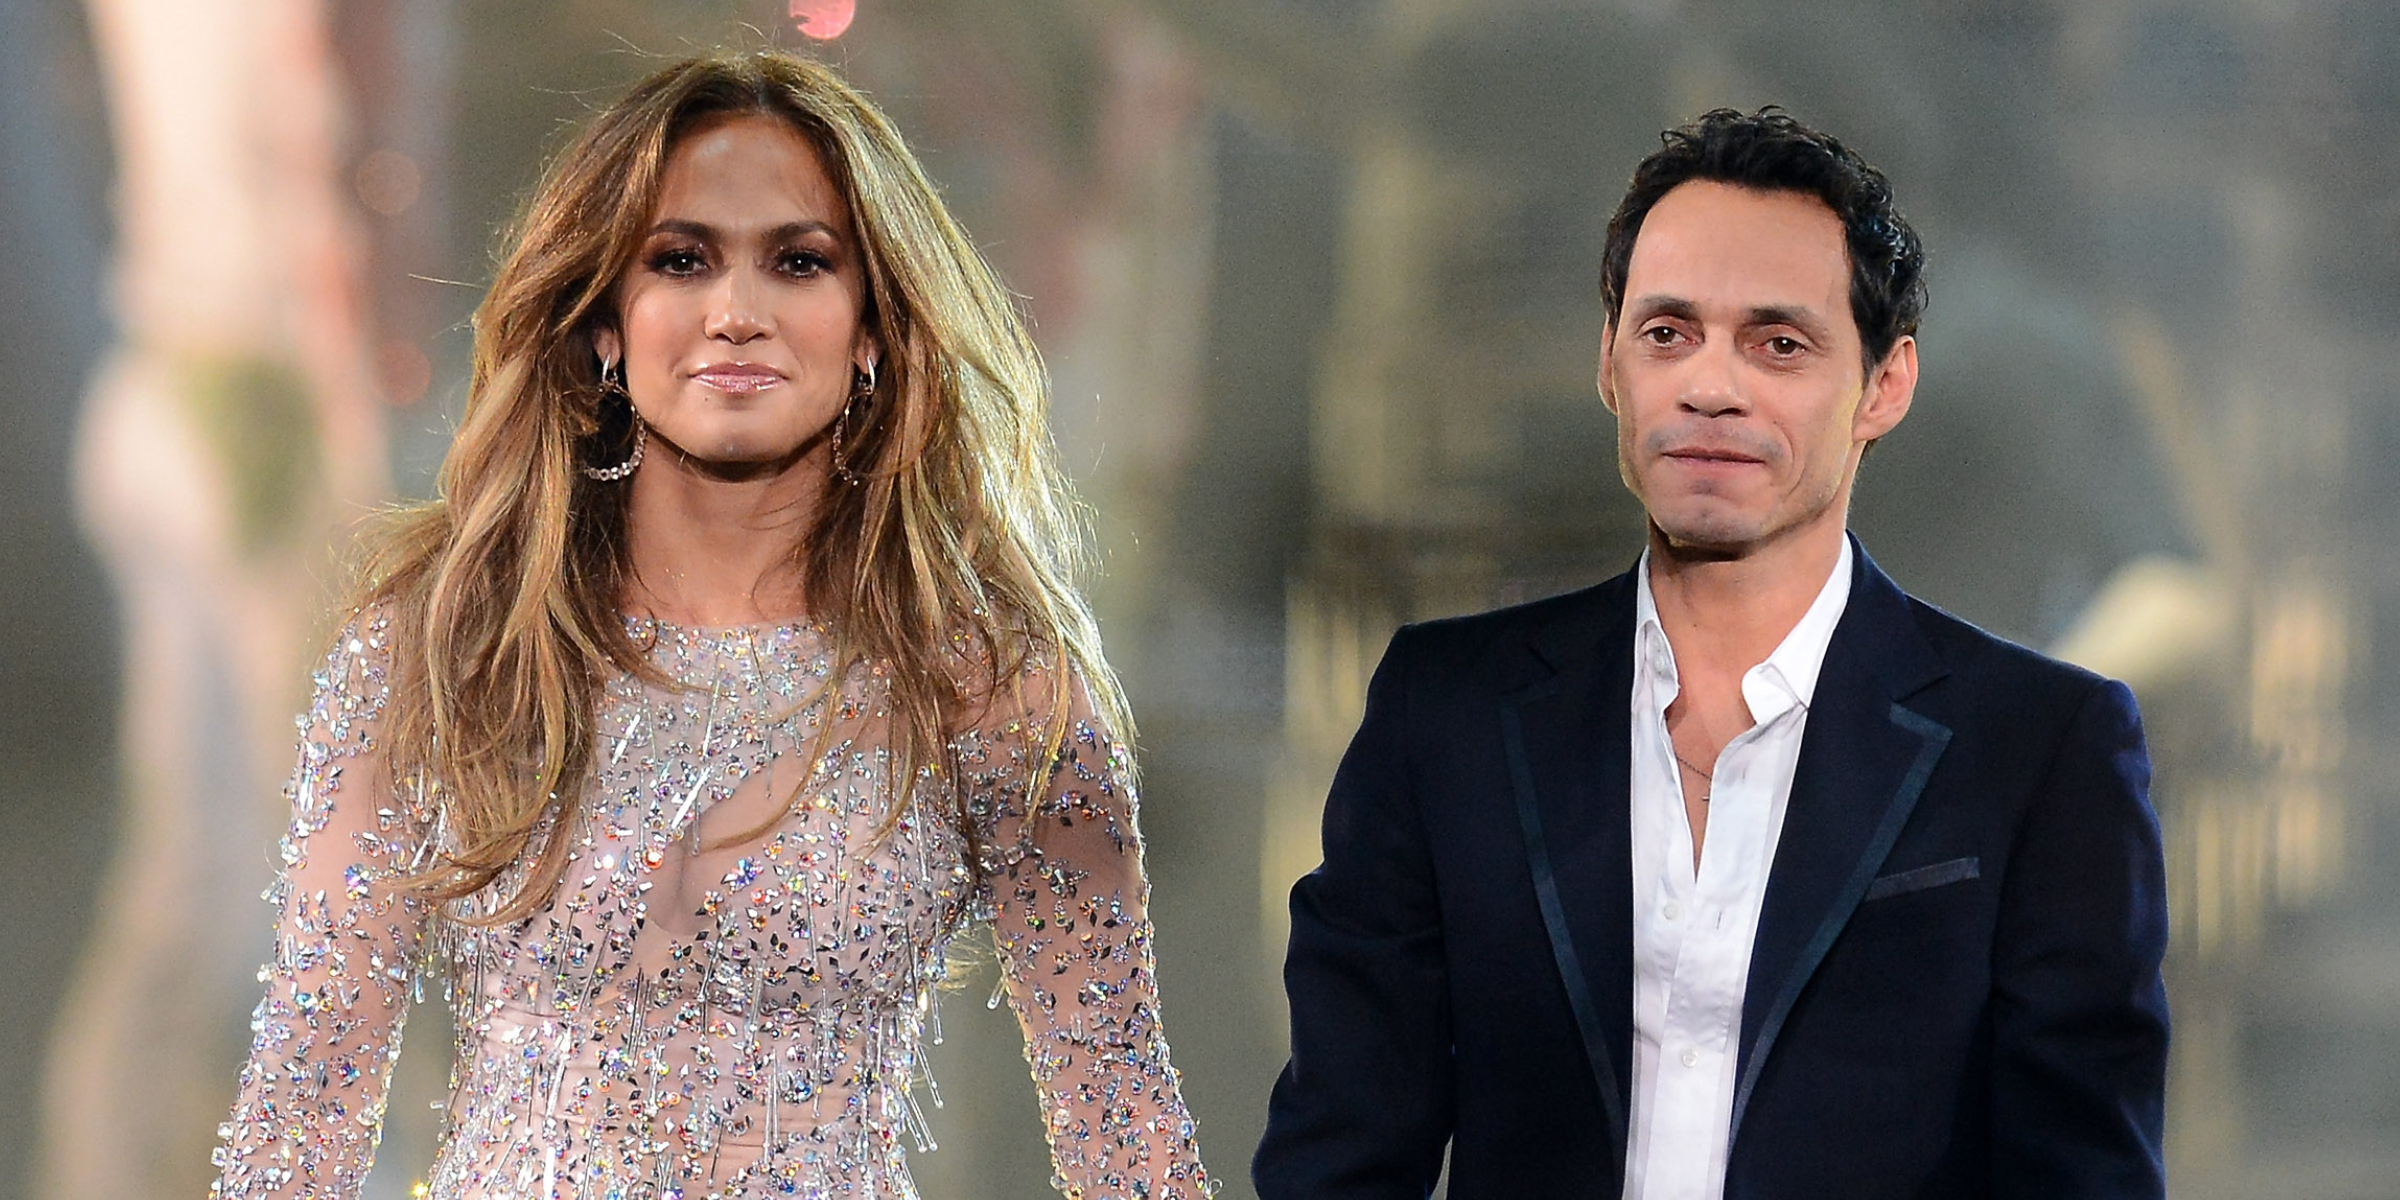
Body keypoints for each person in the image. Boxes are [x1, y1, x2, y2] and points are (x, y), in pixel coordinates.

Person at [210, 51, 1210, 1200]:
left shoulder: (993, 683)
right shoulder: (442, 648)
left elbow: (1124, 1131)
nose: (737, 313)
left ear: (873, 326)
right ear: (603, 326)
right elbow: (301, 1112)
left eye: (798, 262)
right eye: (681, 260)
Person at [1253, 108, 2168, 1199]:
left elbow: (2081, 1175)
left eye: (1777, 343)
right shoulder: (1445, 713)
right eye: (1667, 333)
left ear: (1885, 385)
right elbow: (1342, 1155)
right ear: (1608, 364)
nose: (1709, 386)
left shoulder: (2040, 748)